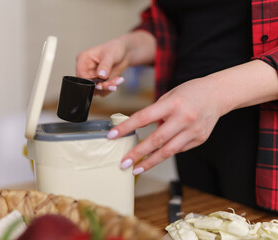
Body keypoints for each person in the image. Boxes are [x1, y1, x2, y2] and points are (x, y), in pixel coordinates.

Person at [75, 0, 278, 212]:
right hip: (188, 130)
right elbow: (177, 24)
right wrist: (127, 47)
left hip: (263, 134)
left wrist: (216, 93)